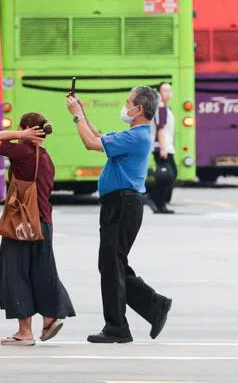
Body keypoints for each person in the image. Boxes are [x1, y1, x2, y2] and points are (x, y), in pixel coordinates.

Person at [66, 86, 172, 344]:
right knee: (113, 264)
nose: (125, 107)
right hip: (120, 204)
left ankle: (118, 326)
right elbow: (99, 136)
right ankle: (152, 306)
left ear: (139, 109)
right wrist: (81, 112)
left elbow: (91, 144)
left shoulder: (136, 136)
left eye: (128, 102)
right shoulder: (132, 134)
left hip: (123, 204)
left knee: (112, 265)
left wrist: (77, 116)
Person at [0, 112, 76, 346]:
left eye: (21, 128)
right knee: (42, 272)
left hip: (22, 224)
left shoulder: (23, 152)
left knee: (14, 273)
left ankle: (25, 332)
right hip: (44, 223)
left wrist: (21, 135)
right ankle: (50, 316)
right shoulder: (46, 158)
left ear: (27, 129)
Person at [146, 82, 176, 214]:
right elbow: (161, 129)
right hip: (162, 148)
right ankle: (156, 201)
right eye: (165, 91)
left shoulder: (164, 108)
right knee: (167, 176)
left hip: (165, 146)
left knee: (167, 176)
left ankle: (156, 200)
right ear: (159, 93)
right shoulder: (161, 107)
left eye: (170, 91)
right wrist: (163, 148)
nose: (168, 93)